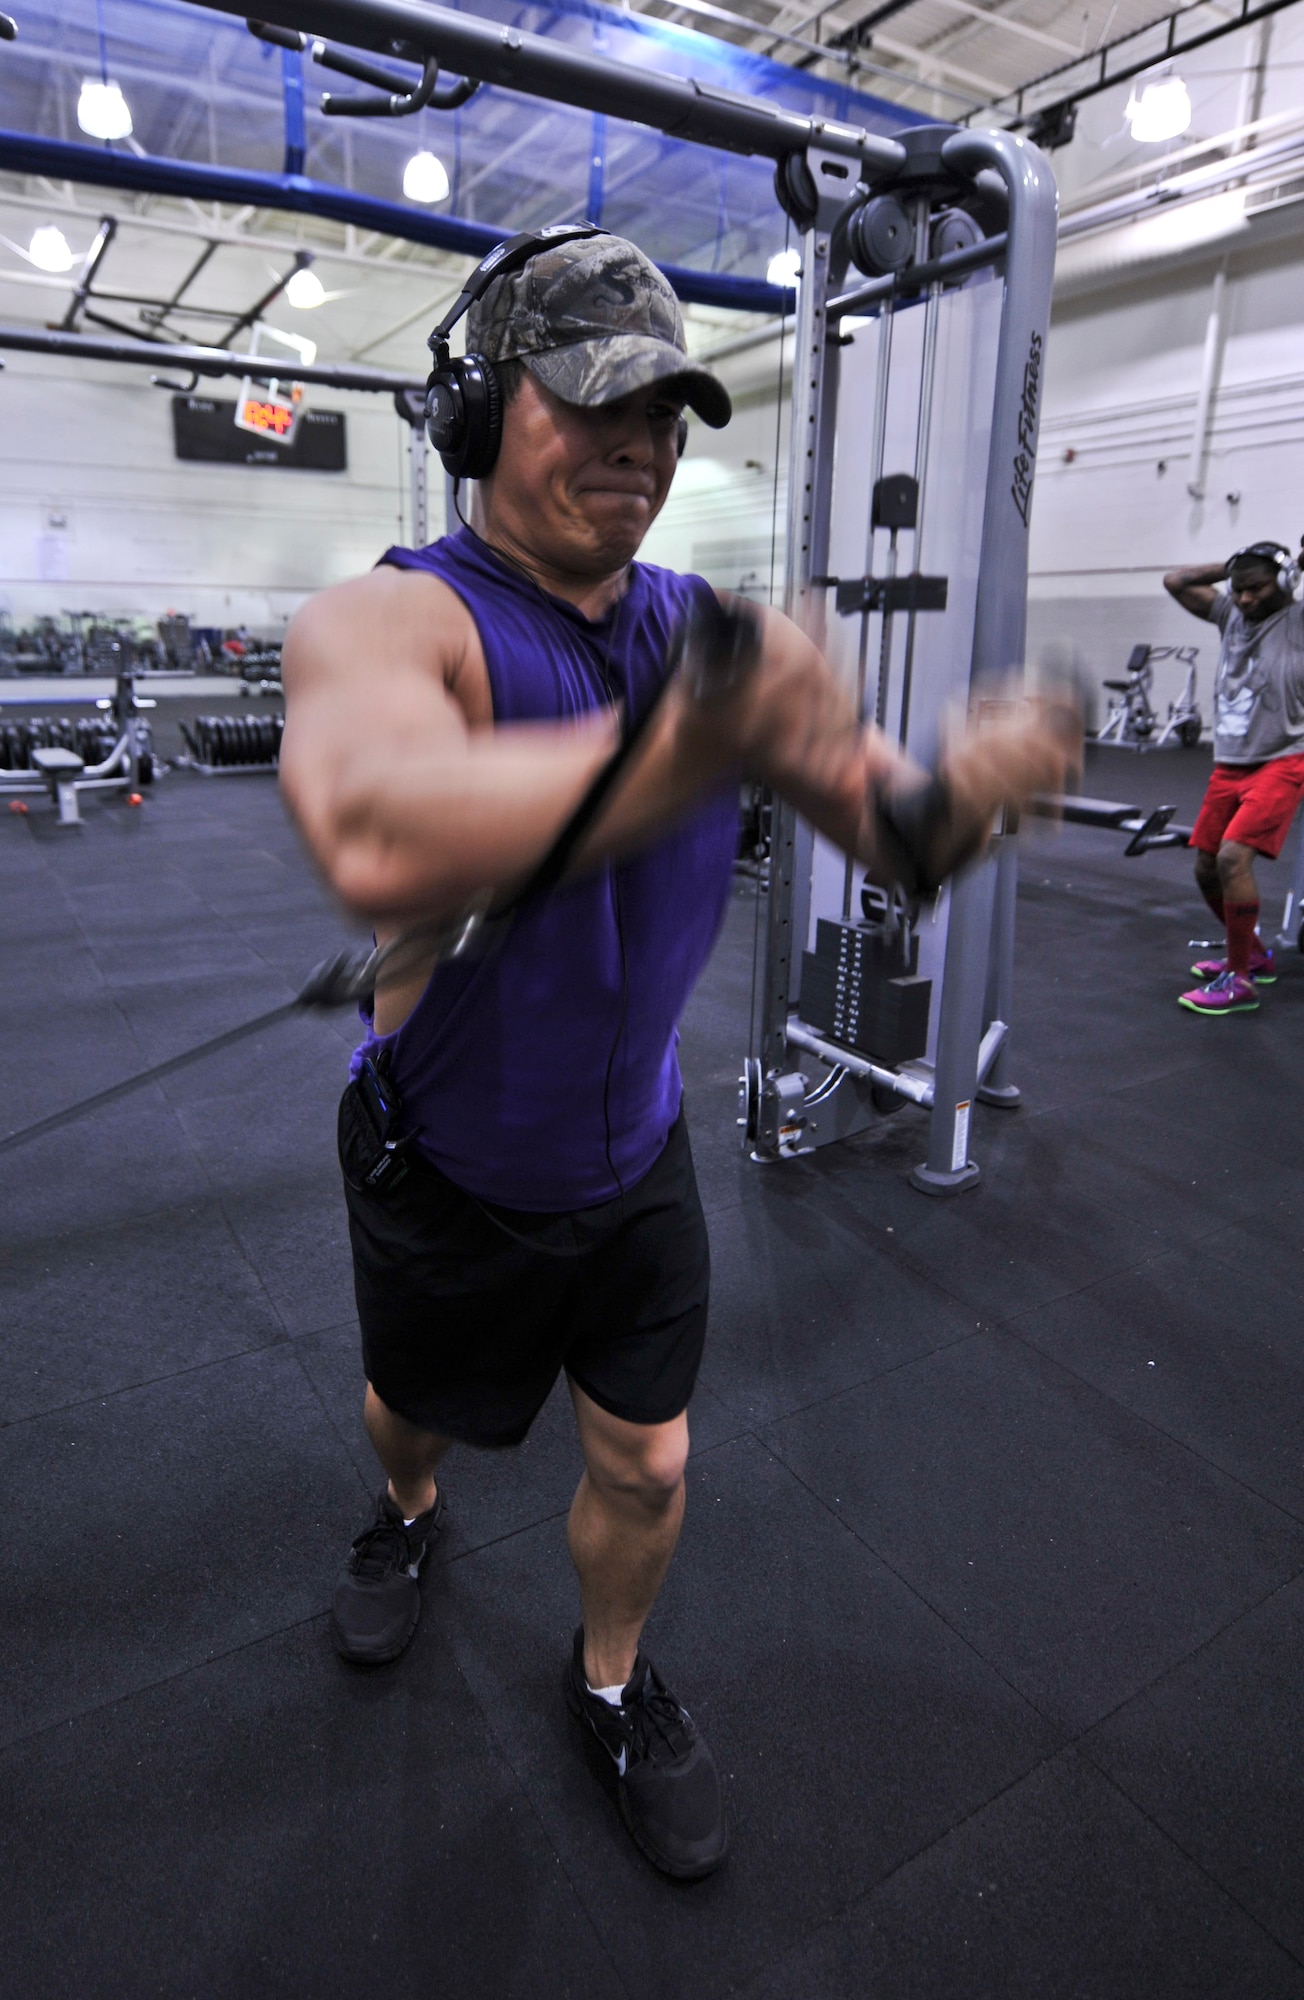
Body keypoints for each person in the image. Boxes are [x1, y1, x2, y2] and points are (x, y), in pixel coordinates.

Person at [279, 228, 1077, 1882]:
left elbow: (901, 836)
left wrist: (982, 782)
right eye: (592, 404)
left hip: (634, 1161)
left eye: (665, 412)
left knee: (648, 1455)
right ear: (475, 409)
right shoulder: (389, 621)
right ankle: (408, 1512)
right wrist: (691, 739)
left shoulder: (724, 644)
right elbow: (374, 832)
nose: (638, 440)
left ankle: (609, 1684)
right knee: (412, 1410)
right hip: (446, 1159)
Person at [1164, 540, 1304, 1015]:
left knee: (1231, 859)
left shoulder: (1297, 620)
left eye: (1256, 588)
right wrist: (1229, 567)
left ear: (1283, 583)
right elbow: (1176, 581)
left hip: (1283, 758)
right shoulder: (1231, 616)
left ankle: (1240, 979)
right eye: (1237, 588)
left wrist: (1294, 566)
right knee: (1205, 867)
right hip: (1229, 762)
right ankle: (1254, 953)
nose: (1244, 598)